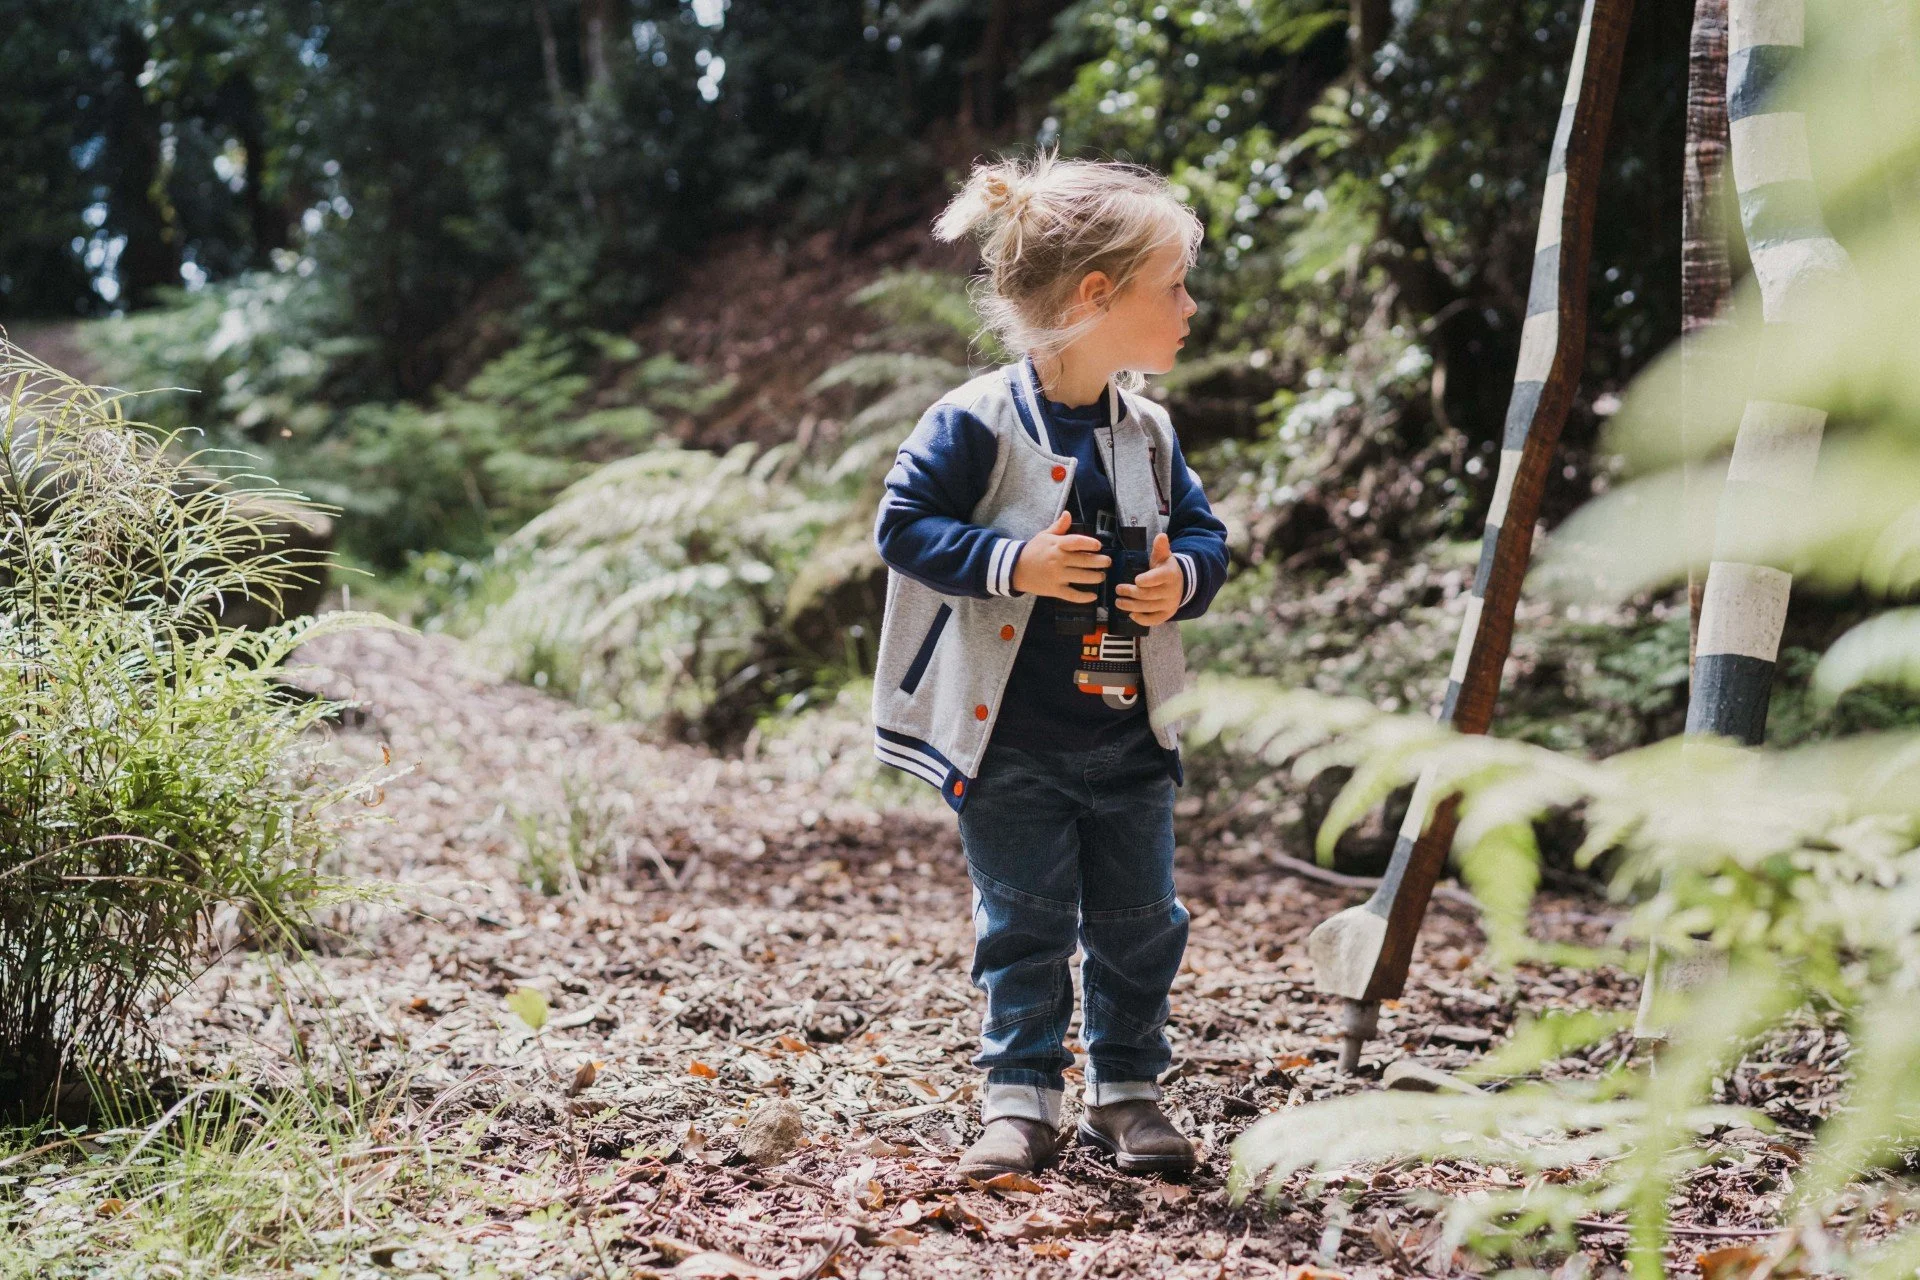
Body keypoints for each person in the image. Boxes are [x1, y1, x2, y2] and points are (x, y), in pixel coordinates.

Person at [870, 151, 1229, 1179]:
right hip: (1009, 739)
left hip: (1128, 731)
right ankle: (1018, 1098)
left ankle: (1128, 1092)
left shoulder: (1149, 432)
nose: (1191, 307)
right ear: (1096, 296)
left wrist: (1184, 580)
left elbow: (1205, 536)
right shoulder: (975, 421)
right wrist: (1011, 560)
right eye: (1175, 287)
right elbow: (903, 526)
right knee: (1021, 922)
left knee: (1140, 921)